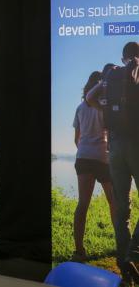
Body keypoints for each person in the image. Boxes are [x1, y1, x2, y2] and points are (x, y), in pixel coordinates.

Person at [87, 42, 139, 284]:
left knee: (122, 208)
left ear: (123, 56)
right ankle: (133, 254)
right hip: (136, 143)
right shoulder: (134, 72)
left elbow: (90, 98)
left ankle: (123, 262)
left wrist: (104, 81)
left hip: (114, 146)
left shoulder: (111, 77)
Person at [71, 71, 115, 262]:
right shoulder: (104, 108)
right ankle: (122, 245)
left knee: (83, 204)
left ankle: (79, 251)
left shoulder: (80, 108)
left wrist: (85, 150)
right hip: (103, 158)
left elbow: (76, 139)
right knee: (115, 204)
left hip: (84, 157)